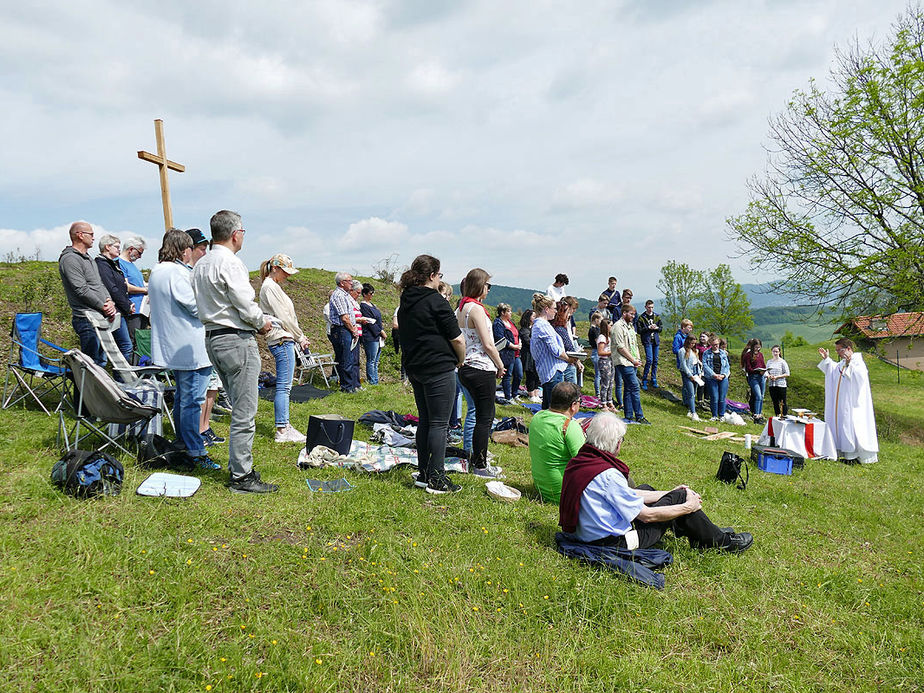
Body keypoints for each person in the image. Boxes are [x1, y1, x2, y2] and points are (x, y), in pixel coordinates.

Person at [559, 413, 753, 552]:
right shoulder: (608, 475)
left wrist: (666, 493)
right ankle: (719, 541)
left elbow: (627, 495)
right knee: (680, 498)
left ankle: (701, 531)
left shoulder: (582, 462)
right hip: (614, 543)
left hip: (588, 534)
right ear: (617, 443)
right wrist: (687, 506)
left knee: (647, 490)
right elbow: (647, 517)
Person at [191, 210, 277, 494]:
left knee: (238, 405)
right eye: (243, 231)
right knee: (244, 410)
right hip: (235, 339)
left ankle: (239, 466)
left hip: (213, 337)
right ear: (235, 234)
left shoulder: (201, 263)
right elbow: (244, 301)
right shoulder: (231, 262)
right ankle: (241, 476)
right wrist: (262, 322)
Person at [148, 229, 218, 470]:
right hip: (190, 345)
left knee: (182, 398)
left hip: (175, 345)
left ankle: (181, 442)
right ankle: (195, 450)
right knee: (192, 400)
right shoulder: (176, 272)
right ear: (183, 250)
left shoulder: (157, 271)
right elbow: (194, 306)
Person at [398, 255, 466, 493]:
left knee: (426, 420)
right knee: (439, 423)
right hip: (438, 366)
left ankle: (424, 472)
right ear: (431, 275)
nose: (440, 279)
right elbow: (457, 338)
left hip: (415, 366)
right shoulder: (436, 301)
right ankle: (437, 479)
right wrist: (461, 359)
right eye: (440, 275)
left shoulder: (407, 298)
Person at [456, 268, 506, 479]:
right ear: (480, 285)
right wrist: (500, 364)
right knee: (485, 417)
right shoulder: (475, 309)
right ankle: (480, 464)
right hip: (480, 367)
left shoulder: (460, 308)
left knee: (476, 413)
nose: (488, 289)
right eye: (487, 285)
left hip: (465, 365)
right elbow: (488, 344)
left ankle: (475, 455)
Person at [259, 253, 310, 444]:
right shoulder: (269, 287)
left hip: (284, 338)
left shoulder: (273, 286)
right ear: (275, 268)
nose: (287, 276)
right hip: (281, 339)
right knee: (284, 387)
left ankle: (285, 426)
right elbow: (284, 317)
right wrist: (300, 336)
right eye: (285, 272)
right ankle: (282, 429)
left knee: (284, 386)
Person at [186, 228, 225, 448]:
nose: (204, 252)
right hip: (196, 338)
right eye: (201, 248)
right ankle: (197, 430)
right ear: (189, 250)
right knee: (201, 388)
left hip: (207, 334)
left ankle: (205, 426)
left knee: (212, 385)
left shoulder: (200, 271)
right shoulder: (187, 274)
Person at [58, 221, 116, 366]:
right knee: (90, 366)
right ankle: (84, 390)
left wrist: (109, 301)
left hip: (100, 316)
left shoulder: (88, 258)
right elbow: (80, 289)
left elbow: (99, 284)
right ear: (80, 235)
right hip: (86, 318)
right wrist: (103, 306)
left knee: (101, 362)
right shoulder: (70, 259)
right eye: (91, 234)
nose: (93, 238)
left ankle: (97, 390)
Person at [818, 338, 878, 463]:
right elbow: (834, 370)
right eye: (837, 350)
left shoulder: (858, 362)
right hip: (841, 403)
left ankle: (854, 455)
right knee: (843, 424)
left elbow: (860, 378)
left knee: (850, 425)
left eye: (840, 350)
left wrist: (850, 364)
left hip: (852, 404)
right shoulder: (842, 363)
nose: (838, 353)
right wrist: (827, 360)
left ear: (849, 349)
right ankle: (845, 453)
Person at [529, 382, 586, 503]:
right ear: (573, 405)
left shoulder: (537, 417)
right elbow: (586, 464)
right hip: (565, 493)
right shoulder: (570, 427)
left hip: (542, 487)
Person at [530, 293, 578, 409]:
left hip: (549, 371)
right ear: (546, 309)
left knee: (548, 405)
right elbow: (556, 350)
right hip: (552, 371)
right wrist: (569, 359)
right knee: (555, 408)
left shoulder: (541, 325)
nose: (556, 311)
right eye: (554, 309)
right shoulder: (543, 326)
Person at [94, 233, 135, 363]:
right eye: (116, 246)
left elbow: (121, 287)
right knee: (124, 346)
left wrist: (128, 303)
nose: (119, 249)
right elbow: (112, 289)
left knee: (119, 347)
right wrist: (127, 306)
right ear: (107, 247)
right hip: (112, 312)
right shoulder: (102, 264)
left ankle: (118, 379)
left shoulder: (112, 264)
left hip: (118, 310)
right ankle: (121, 379)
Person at [612, 303, 650, 424]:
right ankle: (639, 415)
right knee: (634, 386)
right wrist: (632, 360)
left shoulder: (630, 326)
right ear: (624, 313)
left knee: (628, 388)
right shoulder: (618, 326)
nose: (633, 316)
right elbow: (620, 347)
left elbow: (634, 345)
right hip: (623, 362)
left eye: (634, 314)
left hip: (632, 362)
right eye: (631, 314)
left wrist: (637, 359)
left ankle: (629, 415)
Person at [326, 272, 362, 393]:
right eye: (349, 281)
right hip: (342, 330)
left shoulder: (345, 295)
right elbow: (344, 317)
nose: (352, 283)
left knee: (349, 358)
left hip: (346, 329)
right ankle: (347, 387)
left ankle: (350, 385)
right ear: (342, 283)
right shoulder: (339, 295)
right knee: (346, 359)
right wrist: (353, 330)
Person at [118, 236, 149, 349]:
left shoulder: (132, 266)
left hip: (142, 310)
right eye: (139, 253)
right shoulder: (120, 263)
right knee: (133, 341)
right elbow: (125, 286)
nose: (140, 257)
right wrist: (145, 290)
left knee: (141, 341)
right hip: (133, 310)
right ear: (131, 249)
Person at [493, 303, 522, 402]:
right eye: (508, 311)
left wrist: (519, 344)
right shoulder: (498, 323)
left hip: (516, 353)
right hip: (506, 352)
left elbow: (517, 334)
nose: (511, 313)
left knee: (519, 374)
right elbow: (500, 338)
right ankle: (508, 397)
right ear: (502, 312)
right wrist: (513, 346)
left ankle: (515, 394)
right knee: (507, 375)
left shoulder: (511, 322)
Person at [360, 283, 384, 386]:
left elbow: (377, 320)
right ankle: (372, 381)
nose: (372, 295)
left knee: (376, 360)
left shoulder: (372, 305)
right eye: (370, 293)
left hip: (377, 336)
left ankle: (376, 380)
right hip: (370, 336)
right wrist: (380, 331)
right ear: (364, 294)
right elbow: (370, 322)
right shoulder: (364, 306)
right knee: (371, 360)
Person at [703, 334, 730, 421]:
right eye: (714, 345)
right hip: (712, 378)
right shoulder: (706, 353)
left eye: (717, 344)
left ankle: (721, 415)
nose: (716, 346)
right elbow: (705, 365)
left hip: (723, 377)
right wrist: (713, 374)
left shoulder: (723, 353)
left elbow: (727, 366)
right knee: (714, 397)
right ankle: (714, 415)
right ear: (710, 344)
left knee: (722, 397)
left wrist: (724, 375)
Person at [636, 300, 662, 390]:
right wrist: (648, 328)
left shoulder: (657, 316)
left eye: (652, 307)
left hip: (655, 341)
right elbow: (639, 330)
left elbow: (661, 328)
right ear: (645, 307)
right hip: (647, 341)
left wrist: (657, 328)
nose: (650, 309)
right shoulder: (641, 318)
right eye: (649, 307)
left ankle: (653, 378)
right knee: (649, 360)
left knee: (655, 360)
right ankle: (644, 379)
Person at [677, 335, 703, 422]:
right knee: (691, 393)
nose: (692, 345)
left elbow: (696, 362)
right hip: (687, 374)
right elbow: (683, 365)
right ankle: (694, 413)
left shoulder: (695, 351)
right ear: (688, 342)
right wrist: (689, 375)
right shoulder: (682, 351)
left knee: (694, 393)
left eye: (694, 343)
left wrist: (699, 373)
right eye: (691, 343)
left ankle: (690, 410)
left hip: (695, 374)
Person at [741, 338, 767, 422]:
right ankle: (756, 414)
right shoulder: (748, 355)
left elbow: (763, 364)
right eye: (756, 347)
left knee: (762, 396)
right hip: (753, 377)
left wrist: (764, 371)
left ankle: (759, 414)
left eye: (759, 347)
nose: (757, 349)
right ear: (752, 346)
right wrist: (756, 370)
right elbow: (748, 368)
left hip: (761, 377)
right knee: (758, 396)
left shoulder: (761, 355)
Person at [519, 310, 541, 402]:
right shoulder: (524, 330)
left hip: (535, 354)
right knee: (530, 374)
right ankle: (531, 394)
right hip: (528, 355)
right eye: (533, 316)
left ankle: (536, 393)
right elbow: (528, 341)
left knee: (536, 374)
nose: (535, 318)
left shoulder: (534, 328)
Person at [595, 319, 617, 412]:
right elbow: (600, 352)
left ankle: (610, 401)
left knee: (611, 382)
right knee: (605, 383)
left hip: (611, 361)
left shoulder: (609, 337)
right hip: (604, 361)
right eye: (610, 325)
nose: (611, 327)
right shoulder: (602, 337)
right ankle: (603, 403)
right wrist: (611, 352)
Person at [765, 345, 790, 417]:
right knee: (775, 402)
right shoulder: (769, 362)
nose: (775, 353)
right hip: (772, 384)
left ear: (779, 352)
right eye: (773, 351)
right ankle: (777, 415)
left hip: (781, 384)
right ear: (771, 352)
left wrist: (777, 377)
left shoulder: (782, 362)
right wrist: (769, 376)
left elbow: (787, 373)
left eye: (776, 351)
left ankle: (784, 415)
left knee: (782, 401)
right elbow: (766, 371)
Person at [587, 311, 603, 397]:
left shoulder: (591, 330)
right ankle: (598, 393)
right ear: (596, 320)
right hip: (597, 352)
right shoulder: (595, 330)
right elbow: (598, 342)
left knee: (598, 374)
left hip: (594, 352)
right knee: (598, 375)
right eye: (600, 320)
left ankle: (599, 392)